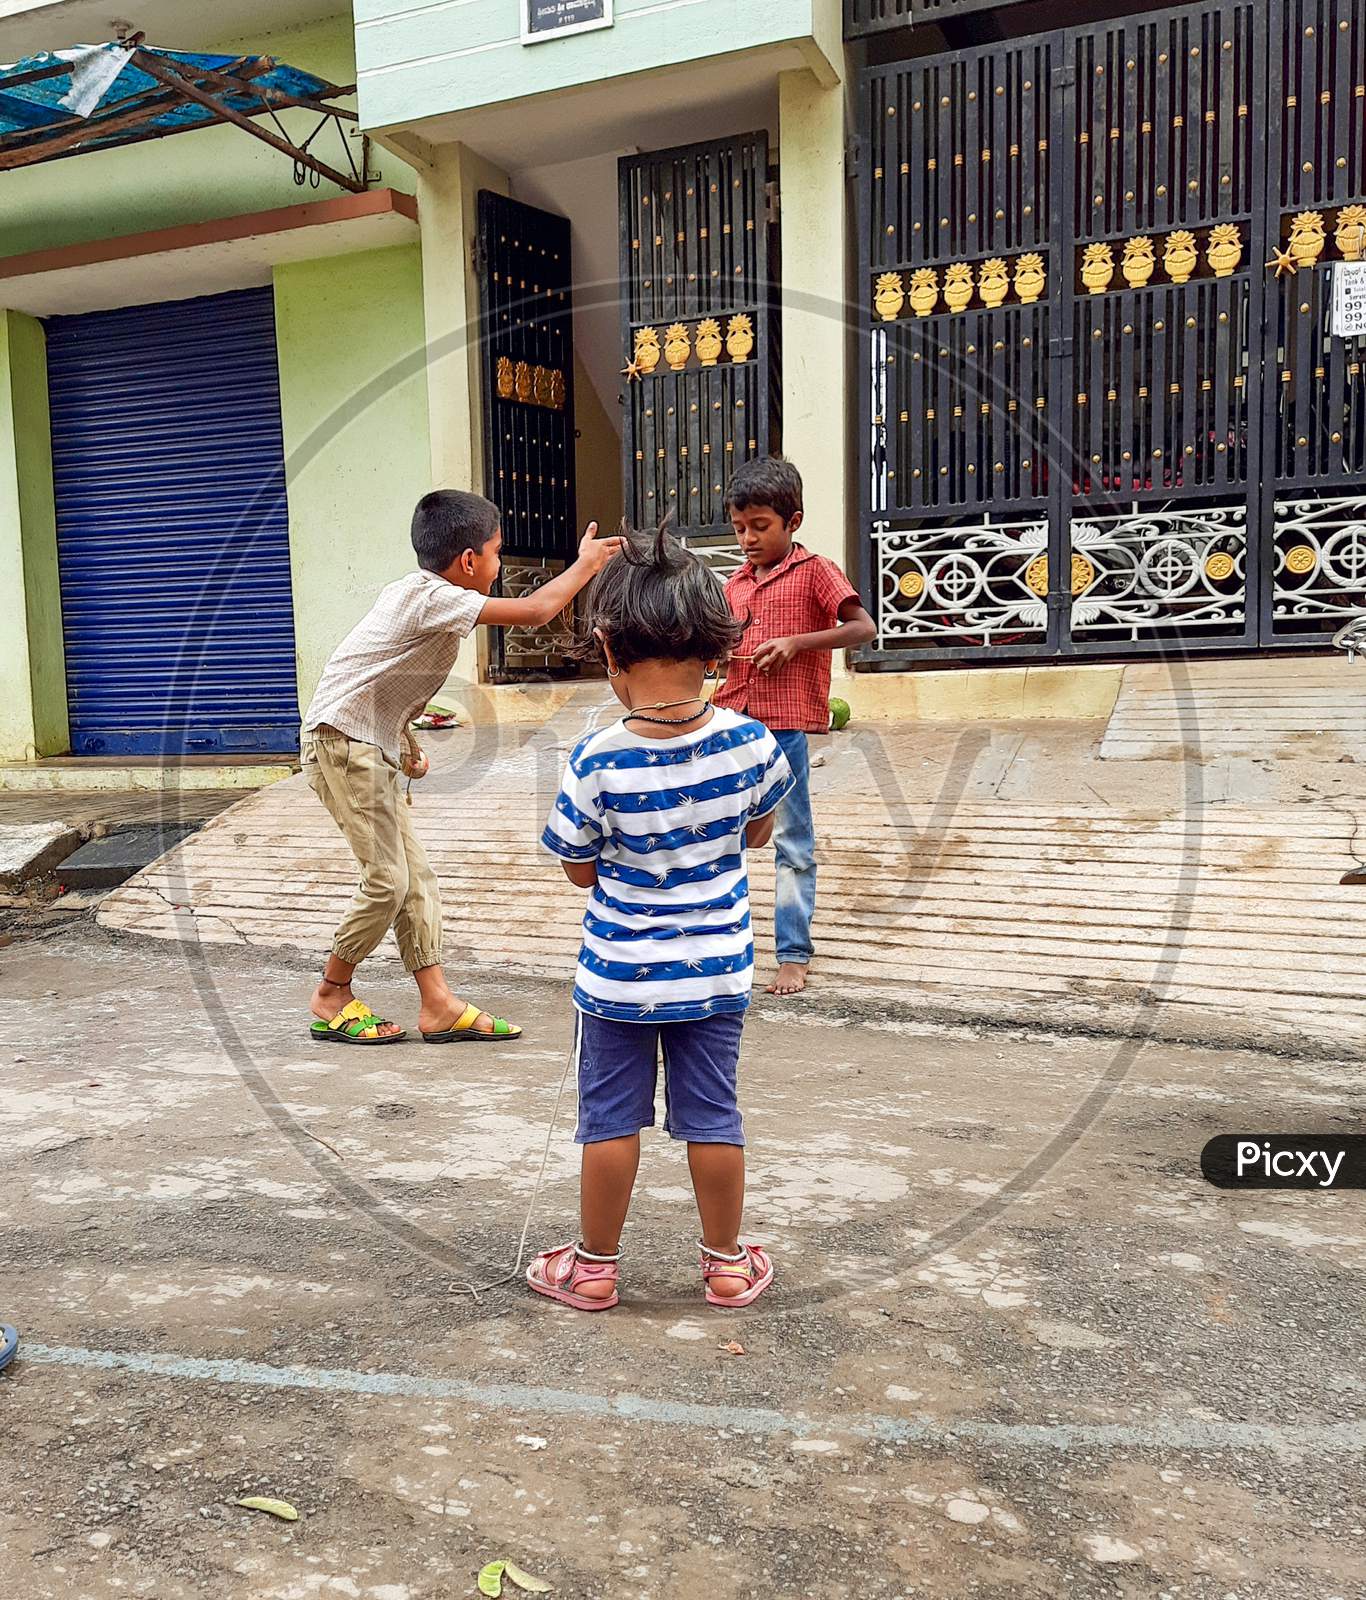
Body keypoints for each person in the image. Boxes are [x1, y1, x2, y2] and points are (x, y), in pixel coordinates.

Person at [529, 523, 795, 1312]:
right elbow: (758, 833)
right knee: (714, 1116)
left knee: (609, 1120)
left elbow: (579, 871)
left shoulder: (595, 757)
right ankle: (725, 1268)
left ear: (608, 651)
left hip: (616, 975)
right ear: (718, 650)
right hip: (717, 970)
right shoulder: (751, 744)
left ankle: (595, 1268)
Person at [301, 490, 622, 1046]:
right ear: (469, 560)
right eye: (497, 554)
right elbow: (534, 612)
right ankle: (332, 993)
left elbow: (381, 677)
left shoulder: (422, 598)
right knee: (387, 882)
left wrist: (402, 744)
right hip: (341, 744)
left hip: (367, 745)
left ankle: (438, 1004)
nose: (500, 567)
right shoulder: (432, 595)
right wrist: (585, 565)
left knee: (415, 880)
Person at [713, 457, 876, 996]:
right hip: (730, 725)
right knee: (720, 836)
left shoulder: (817, 571)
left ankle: (792, 954)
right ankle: (720, 941)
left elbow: (862, 627)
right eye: (740, 528)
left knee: (793, 841)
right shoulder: (734, 584)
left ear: (793, 521)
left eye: (760, 527)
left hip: (783, 732)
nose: (748, 539)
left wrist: (797, 644)